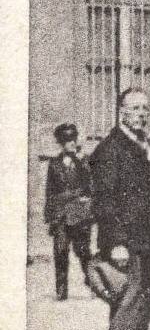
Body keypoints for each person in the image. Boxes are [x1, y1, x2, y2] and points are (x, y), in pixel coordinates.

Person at [89, 89, 150, 330]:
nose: (142, 114)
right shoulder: (110, 149)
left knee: (143, 300)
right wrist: (116, 243)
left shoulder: (141, 144)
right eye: (135, 108)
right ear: (121, 112)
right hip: (128, 242)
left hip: (148, 239)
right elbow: (105, 202)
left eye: (146, 109)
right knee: (128, 300)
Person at [44, 122, 95, 301]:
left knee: (83, 252)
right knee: (60, 251)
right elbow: (50, 191)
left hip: (80, 215)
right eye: (67, 140)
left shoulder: (84, 161)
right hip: (60, 215)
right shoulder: (54, 164)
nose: (72, 143)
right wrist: (49, 216)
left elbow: (91, 185)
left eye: (74, 138)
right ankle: (61, 290)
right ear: (61, 142)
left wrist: (82, 162)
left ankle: (94, 284)